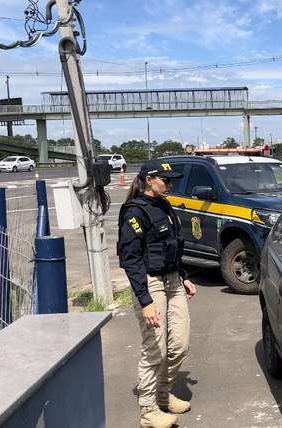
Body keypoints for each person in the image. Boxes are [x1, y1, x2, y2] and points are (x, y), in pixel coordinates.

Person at [117, 160, 197, 428]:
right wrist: (145, 301)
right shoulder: (134, 212)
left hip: (173, 280)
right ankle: (149, 409)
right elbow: (131, 259)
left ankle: (164, 393)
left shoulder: (164, 205)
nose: (170, 184)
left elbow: (171, 245)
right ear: (149, 180)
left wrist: (183, 277)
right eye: (165, 180)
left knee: (180, 344)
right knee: (156, 349)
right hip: (150, 283)